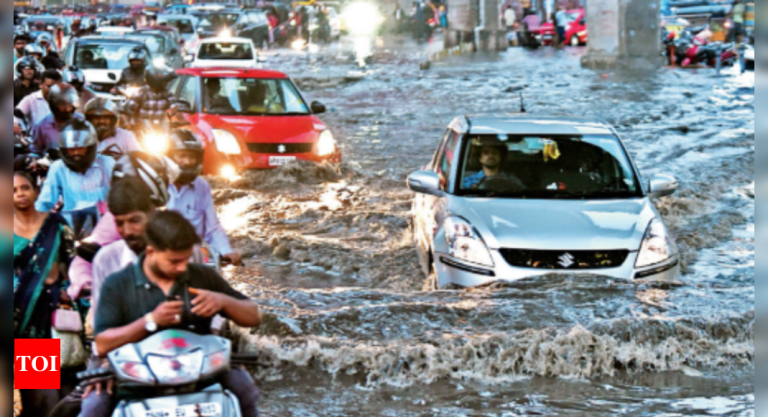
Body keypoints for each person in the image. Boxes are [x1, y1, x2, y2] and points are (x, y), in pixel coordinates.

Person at [81, 211, 262, 417]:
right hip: (134, 379)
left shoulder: (202, 276)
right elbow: (102, 343)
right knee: (91, 407)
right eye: (174, 261)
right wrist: (150, 321)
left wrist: (223, 301)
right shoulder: (117, 283)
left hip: (201, 375)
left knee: (245, 389)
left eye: (185, 260)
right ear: (151, 252)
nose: (182, 267)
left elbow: (254, 316)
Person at [67, 152, 175, 302]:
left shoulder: (161, 217)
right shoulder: (112, 222)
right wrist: (87, 285)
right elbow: (82, 262)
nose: (127, 229)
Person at [13, 171, 79, 417]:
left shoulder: (56, 224)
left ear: (36, 191)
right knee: (38, 392)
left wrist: (65, 292)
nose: (20, 194)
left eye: (25, 187)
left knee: (68, 379)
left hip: (58, 313)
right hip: (26, 317)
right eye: (12, 190)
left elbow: (72, 267)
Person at [166, 130, 242, 266]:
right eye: (182, 156)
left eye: (192, 157)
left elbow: (212, 228)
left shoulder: (202, 186)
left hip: (192, 259)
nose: (188, 162)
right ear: (169, 157)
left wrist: (226, 251)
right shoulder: (156, 185)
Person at [35, 117, 116, 213]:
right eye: (71, 149)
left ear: (90, 147)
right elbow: (44, 203)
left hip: (105, 223)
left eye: (81, 148)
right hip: (73, 224)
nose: (76, 152)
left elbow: (121, 194)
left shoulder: (107, 163)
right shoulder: (58, 168)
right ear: (64, 149)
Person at [29, 82, 79, 156]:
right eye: (62, 104)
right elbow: (35, 151)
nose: (67, 109)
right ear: (53, 105)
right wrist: (34, 160)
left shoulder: (81, 121)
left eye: (69, 104)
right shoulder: (41, 125)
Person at [122, 66, 177, 130]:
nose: (166, 84)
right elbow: (126, 111)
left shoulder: (167, 93)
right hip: (140, 129)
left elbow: (174, 105)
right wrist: (127, 122)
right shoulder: (141, 92)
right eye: (164, 81)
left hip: (161, 129)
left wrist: (177, 119)